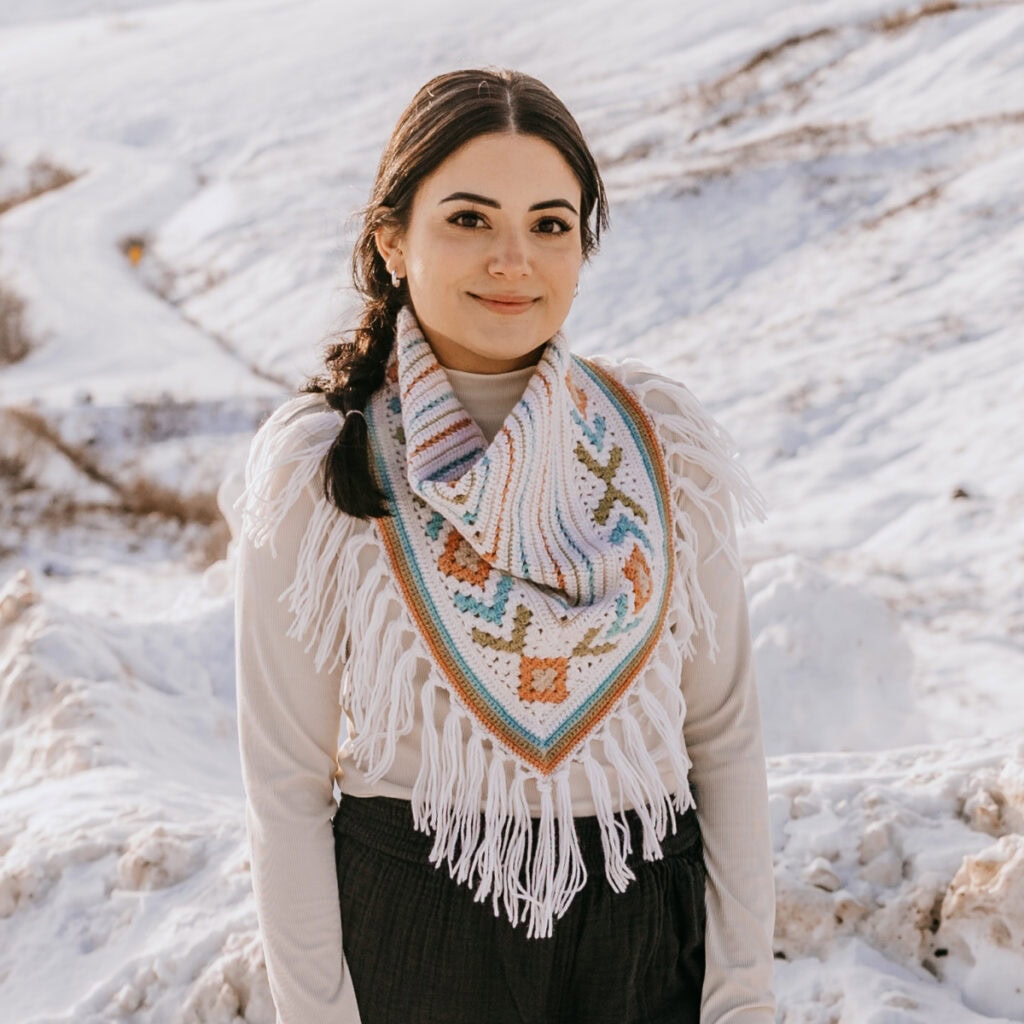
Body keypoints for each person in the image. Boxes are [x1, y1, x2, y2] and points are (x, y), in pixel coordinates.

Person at [232, 67, 776, 1024]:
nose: (513, 260)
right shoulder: (324, 463)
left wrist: (741, 998)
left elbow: (723, 736)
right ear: (392, 240)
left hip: (645, 924)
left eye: (551, 224)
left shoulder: (660, 440)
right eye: (471, 219)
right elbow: (285, 782)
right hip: (419, 924)